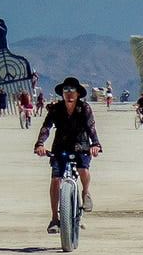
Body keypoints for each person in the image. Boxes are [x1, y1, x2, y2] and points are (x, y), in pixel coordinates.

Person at [34, 76, 102, 234]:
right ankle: (54, 219)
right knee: (55, 179)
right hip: (61, 146)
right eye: (66, 90)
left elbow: (91, 127)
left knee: (83, 169)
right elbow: (46, 127)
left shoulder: (84, 108)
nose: (69, 93)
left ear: (78, 93)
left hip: (81, 145)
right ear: (62, 93)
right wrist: (40, 144)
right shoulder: (56, 109)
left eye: (72, 90)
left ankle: (85, 192)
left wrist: (95, 144)